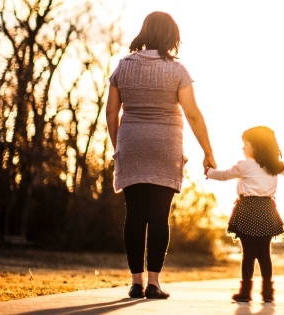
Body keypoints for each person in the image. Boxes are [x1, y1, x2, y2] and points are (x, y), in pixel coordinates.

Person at [106, 11, 216, 299]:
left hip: (131, 145)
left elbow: (111, 112)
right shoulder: (177, 71)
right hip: (165, 148)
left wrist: (119, 146)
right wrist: (208, 151)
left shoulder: (123, 66)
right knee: (158, 216)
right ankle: (154, 283)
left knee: (134, 216)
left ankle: (135, 282)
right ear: (171, 36)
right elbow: (192, 114)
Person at [206, 126, 284, 303]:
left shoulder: (245, 165)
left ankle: (245, 291)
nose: (243, 147)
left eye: (245, 143)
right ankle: (268, 292)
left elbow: (224, 175)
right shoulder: (274, 165)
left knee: (248, 254)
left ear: (255, 145)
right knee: (265, 253)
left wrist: (208, 172)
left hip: (247, 210)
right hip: (266, 211)